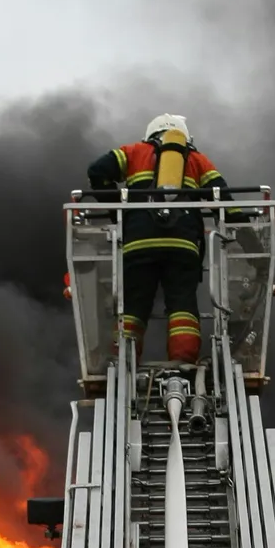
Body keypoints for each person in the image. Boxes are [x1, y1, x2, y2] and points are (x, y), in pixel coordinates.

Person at [86, 113, 232, 364]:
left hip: (137, 244)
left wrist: (117, 211)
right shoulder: (197, 160)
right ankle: (183, 362)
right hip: (183, 246)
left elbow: (97, 171)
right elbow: (224, 200)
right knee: (182, 304)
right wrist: (249, 234)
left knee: (133, 306)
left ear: (150, 133)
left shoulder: (132, 152)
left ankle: (125, 360)